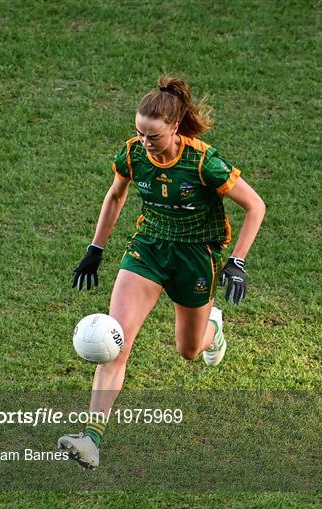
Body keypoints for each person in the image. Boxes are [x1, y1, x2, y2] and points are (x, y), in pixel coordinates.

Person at [58, 76, 265, 469]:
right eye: (139, 133)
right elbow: (116, 194)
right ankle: (91, 438)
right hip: (148, 250)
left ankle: (214, 329)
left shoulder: (205, 162)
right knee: (116, 340)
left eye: (153, 135)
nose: (145, 142)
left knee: (188, 351)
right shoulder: (133, 154)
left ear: (174, 127)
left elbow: (255, 206)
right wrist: (95, 249)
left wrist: (236, 261)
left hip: (195, 258)